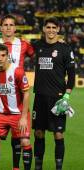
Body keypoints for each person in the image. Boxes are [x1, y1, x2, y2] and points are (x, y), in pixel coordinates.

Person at [0, 14, 34, 170]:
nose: (8, 28)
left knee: (18, 138)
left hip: (17, 93)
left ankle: (16, 167)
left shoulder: (23, 44)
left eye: (11, 25)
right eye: (5, 25)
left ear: (15, 28)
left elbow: (35, 55)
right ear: (1, 28)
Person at [32, 17, 75, 170]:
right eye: (48, 27)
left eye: (53, 27)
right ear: (44, 29)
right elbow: (19, 47)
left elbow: (71, 76)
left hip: (57, 99)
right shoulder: (37, 46)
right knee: (38, 133)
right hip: (40, 97)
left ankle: (58, 168)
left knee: (58, 135)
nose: (50, 30)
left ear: (58, 29)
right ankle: (38, 167)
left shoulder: (65, 49)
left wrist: (67, 95)